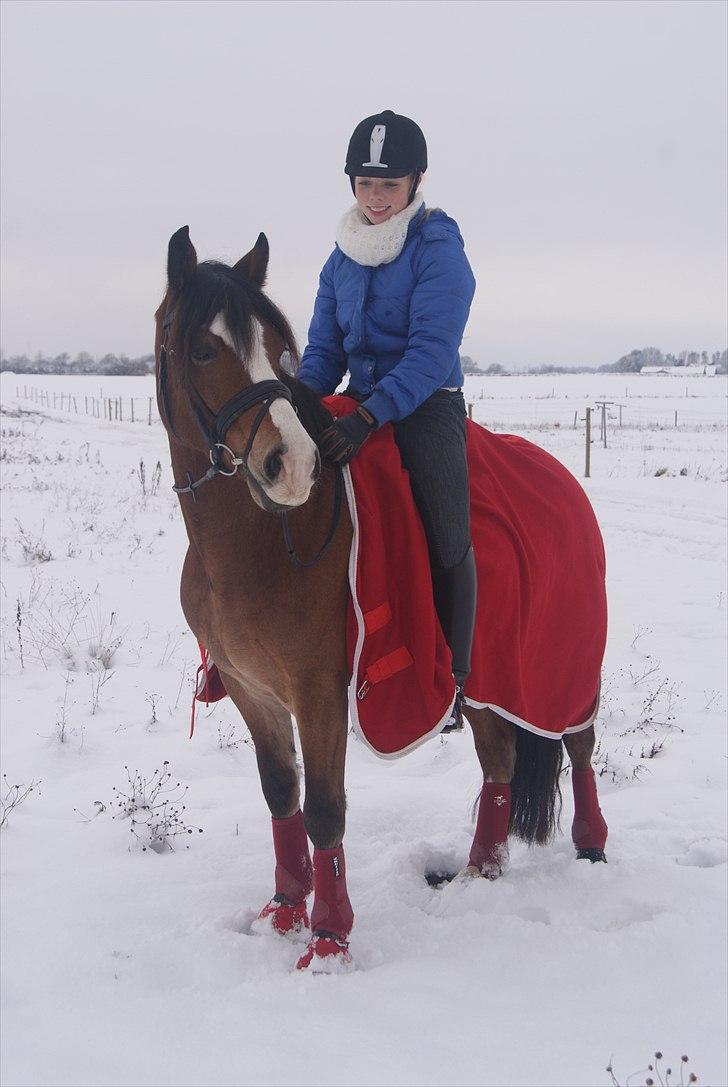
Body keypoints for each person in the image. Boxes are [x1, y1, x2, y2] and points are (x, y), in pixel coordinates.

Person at [298, 109, 477, 730]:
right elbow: (323, 351)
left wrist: (373, 414)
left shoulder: (438, 247)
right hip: (358, 404)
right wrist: (298, 404)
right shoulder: (341, 255)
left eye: (390, 185)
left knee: (445, 532)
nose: (375, 198)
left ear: (416, 182)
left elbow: (431, 352)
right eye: (365, 183)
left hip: (424, 405)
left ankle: (456, 677)